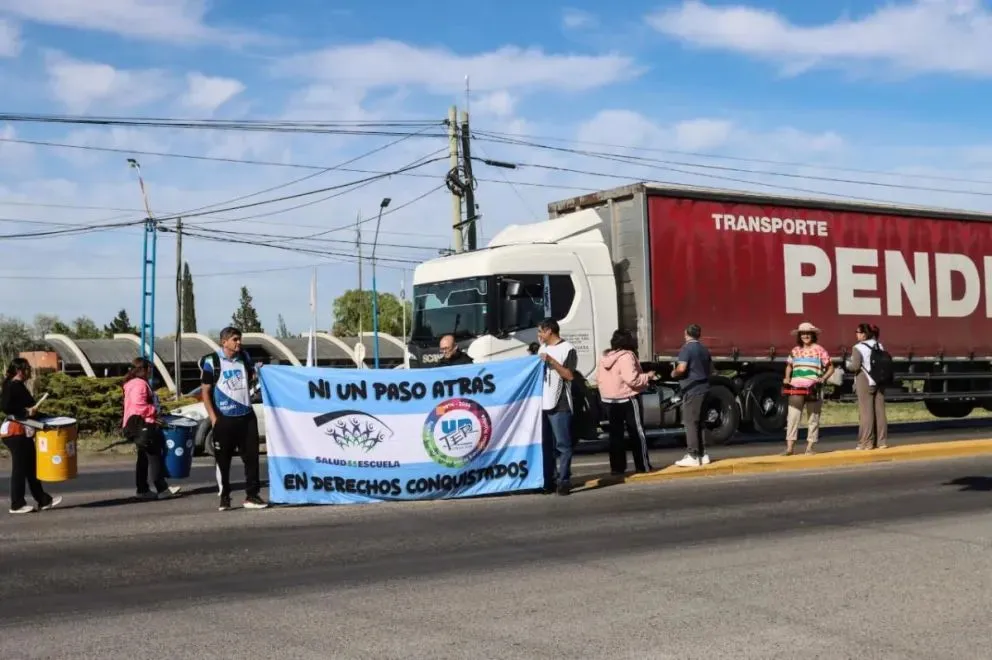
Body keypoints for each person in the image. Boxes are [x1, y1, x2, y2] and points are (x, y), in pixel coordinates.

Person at [199, 327, 268, 511]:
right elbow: (205, 392)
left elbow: (252, 378)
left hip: (246, 416)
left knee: (252, 458)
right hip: (224, 418)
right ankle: (225, 497)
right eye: (235, 339)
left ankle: (252, 496)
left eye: (240, 339)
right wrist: (214, 418)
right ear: (224, 342)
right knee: (223, 460)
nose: (239, 342)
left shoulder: (244, 357)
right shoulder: (212, 361)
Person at [0, 358, 61, 514]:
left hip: (22, 432)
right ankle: (17, 504)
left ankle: (43, 500)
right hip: (16, 432)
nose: (29, 372)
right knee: (20, 469)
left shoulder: (16, 385)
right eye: (27, 369)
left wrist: (47, 417)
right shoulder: (12, 385)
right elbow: (6, 407)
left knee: (31, 467)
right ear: (20, 370)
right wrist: (26, 412)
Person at [596, 329, 656, 474]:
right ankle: (643, 466)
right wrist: (648, 376)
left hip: (609, 400)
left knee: (615, 435)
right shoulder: (627, 356)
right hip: (627, 398)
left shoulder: (605, 357)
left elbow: (597, 378)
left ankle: (617, 468)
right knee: (637, 432)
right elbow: (632, 379)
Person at [122, 357, 181, 500]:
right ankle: (162, 489)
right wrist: (154, 411)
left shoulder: (132, 384)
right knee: (154, 457)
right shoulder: (139, 384)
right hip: (145, 425)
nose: (151, 372)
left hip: (137, 425)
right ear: (142, 369)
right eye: (150, 368)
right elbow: (139, 405)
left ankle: (143, 490)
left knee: (143, 458)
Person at [536, 318, 578, 495]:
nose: (539, 335)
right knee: (547, 446)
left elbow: (569, 375)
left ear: (549, 331)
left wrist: (552, 362)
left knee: (563, 445)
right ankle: (550, 479)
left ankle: (564, 480)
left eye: (541, 331)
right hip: (543, 403)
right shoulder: (542, 348)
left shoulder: (568, 349)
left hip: (559, 404)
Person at [782, 322, 835, 456]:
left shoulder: (820, 350)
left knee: (813, 418)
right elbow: (789, 366)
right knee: (793, 417)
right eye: (803, 334)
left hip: (814, 388)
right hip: (796, 388)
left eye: (808, 333)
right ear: (799, 336)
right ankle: (789, 448)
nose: (805, 336)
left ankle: (810, 447)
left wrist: (823, 378)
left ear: (813, 335)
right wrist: (787, 377)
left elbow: (830, 367)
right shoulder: (795, 350)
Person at [671, 324, 713, 467]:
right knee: (700, 423)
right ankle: (703, 454)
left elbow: (682, 368)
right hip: (705, 387)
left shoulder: (686, 349)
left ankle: (693, 455)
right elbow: (712, 370)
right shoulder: (704, 349)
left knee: (690, 422)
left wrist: (674, 373)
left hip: (692, 389)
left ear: (686, 334)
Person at [848, 323, 888, 450]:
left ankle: (866, 442)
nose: (856, 334)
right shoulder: (879, 345)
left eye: (858, 332)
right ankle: (881, 442)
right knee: (880, 412)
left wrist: (846, 364)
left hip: (864, 380)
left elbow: (855, 366)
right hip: (879, 381)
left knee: (866, 412)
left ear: (864, 334)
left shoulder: (857, 347)